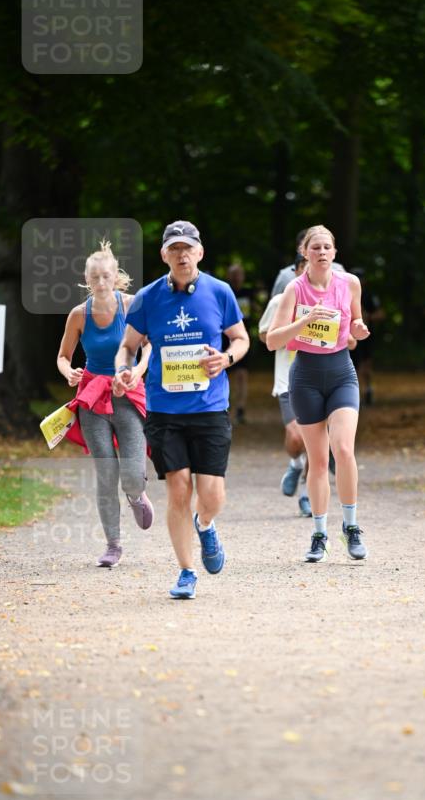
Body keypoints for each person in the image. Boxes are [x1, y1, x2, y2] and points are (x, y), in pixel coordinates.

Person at [115, 220, 249, 599]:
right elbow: (128, 346)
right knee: (178, 488)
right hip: (165, 410)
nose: (182, 254)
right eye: (174, 248)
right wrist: (124, 370)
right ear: (164, 255)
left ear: (200, 252)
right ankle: (186, 571)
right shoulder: (147, 298)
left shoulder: (220, 292)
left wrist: (226, 357)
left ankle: (204, 525)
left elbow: (241, 339)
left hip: (209, 408)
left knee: (212, 496)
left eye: (188, 247)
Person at [267, 225, 370, 563]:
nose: (322, 252)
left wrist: (357, 329)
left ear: (335, 252)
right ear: (305, 253)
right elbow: (272, 340)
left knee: (343, 447)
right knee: (318, 459)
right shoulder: (293, 291)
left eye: (328, 247)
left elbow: (355, 329)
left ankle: (352, 527)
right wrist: (304, 321)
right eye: (316, 248)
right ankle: (320, 533)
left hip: (341, 373)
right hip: (306, 376)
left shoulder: (350, 284)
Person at [56, 240, 153, 568]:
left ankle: (137, 493)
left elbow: (150, 345)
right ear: (87, 278)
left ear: (116, 277)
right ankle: (113, 545)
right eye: (94, 277)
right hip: (92, 400)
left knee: (131, 474)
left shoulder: (132, 306)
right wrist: (69, 371)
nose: (100, 282)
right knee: (105, 473)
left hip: (127, 395)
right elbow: (63, 356)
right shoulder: (78, 315)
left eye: (106, 276)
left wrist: (138, 371)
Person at [258, 253, 311, 517]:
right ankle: (295, 463)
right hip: (287, 379)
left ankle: (307, 494)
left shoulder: (328, 301)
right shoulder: (281, 301)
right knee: (295, 436)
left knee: (316, 440)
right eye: (305, 267)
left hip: (318, 378)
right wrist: (289, 330)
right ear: (297, 270)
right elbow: (264, 334)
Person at [350, 268, 384, 406]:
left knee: (366, 366)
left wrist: (367, 317)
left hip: (366, 336)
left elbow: (381, 314)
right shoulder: (345, 295)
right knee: (353, 367)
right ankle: (355, 397)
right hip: (350, 337)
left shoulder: (370, 296)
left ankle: (368, 390)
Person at [225, 263, 255, 424]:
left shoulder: (249, 293)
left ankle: (241, 409)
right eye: (233, 274)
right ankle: (226, 407)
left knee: (242, 376)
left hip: (244, 338)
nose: (236, 277)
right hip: (224, 340)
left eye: (239, 274)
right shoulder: (224, 292)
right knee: (226, 376)